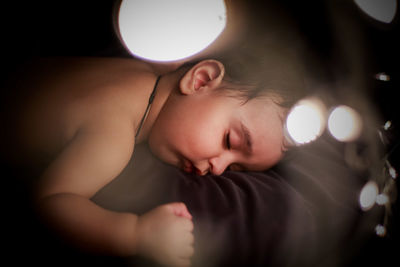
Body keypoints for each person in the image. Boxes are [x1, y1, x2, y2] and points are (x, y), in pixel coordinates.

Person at [1, 40, 306, 267]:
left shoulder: (157, 64)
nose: (218, 169)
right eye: (229, 140)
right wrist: (135, 234)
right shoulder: (112, 134)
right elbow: (52, 201)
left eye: (236, 169)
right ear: (200, 80)